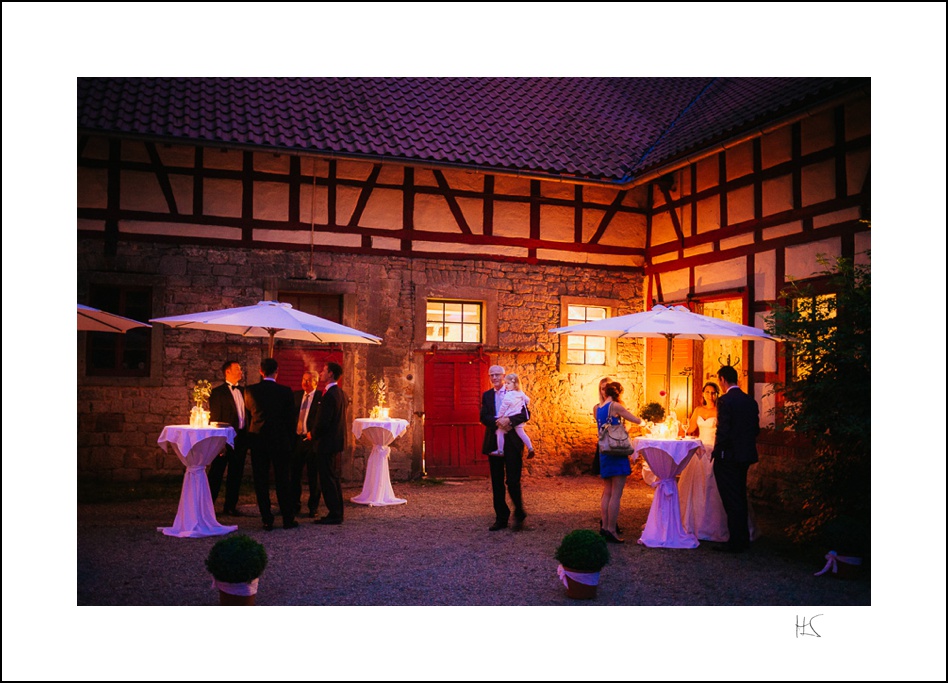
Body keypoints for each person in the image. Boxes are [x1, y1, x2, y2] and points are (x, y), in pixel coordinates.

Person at [244, 357, 298, 531]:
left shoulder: (250, 391)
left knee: (261, 481)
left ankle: (267, 519)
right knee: (283, 480)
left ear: (261, 371)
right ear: (277, 371)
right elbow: (291, 420)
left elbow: (247, 417)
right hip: (280, 441)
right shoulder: (286, 391)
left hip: (258, 440)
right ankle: (288, 518)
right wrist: (291, 441)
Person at [710, 365, 760, 553]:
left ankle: (736, 541)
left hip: (728, 457)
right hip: (745, 456)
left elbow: (723, 430)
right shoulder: (750, 401)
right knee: (740, 495)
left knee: (731, 499)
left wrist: (717, 451)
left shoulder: (725, 400)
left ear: (722, 379)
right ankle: (743, 538)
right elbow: (755, 430)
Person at [480, 364, 529, 531]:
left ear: (504, 376)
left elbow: (525, 414)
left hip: (513, 441)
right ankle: (501, 517)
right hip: (494, 441)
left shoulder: (516, 393)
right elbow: (483, 416)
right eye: (491, 375)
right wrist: (497, 422)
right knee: (497, 481)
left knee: (513, 480)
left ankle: (519, 512)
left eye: (497, 375)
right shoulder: (486, 396)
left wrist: (510, 421)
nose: (494, 378)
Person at [595, 381, 643, 543]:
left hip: (605, 451)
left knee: (607, 491)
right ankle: (611, 529)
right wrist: (645, 422)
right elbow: (635, 420)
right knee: (617, 493)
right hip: (617, 451)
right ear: (619, 392)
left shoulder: (598, 408)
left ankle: (604, 527)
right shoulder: (615, 406)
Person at [207, 360, 250, 516]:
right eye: (238, 369)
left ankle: (230, 505)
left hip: (241, 439)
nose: (241, 372)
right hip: (224, 440)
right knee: (216, 472)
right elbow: (216, 418)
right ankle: (208, 505)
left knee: (236, 473)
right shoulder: (218, 393)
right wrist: (220, 442)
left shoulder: (244, 391)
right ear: (228, 372)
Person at [311, 361, 347, 525]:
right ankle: (337, 511)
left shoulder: (330, 394)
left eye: (324, 370)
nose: (321, 372)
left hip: (326, 443)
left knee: (327, 478)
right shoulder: (339, 393)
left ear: (331, 373)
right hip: (334, 442)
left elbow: (324, 420)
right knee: (333, 477)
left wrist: (313, 433)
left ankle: (334, 513)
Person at [291, 371, 321, 518]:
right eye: (303, 379)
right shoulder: (296, 396)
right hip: (298, 440)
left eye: (309, 381)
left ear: (315, 382)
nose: (305, 383)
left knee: (313, 475)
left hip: (311, 441)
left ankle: (313, 507)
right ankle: (295, 504)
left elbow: (321, 419)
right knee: (295, 473)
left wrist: (314, 433)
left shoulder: (320, 397)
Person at [492, 373, 535, 458]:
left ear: (515, 384)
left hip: (509, 417)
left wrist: (499, 416)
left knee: (499, 431)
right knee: (522, 433)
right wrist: (521, 404)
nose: (506, 385)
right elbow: (528, 400)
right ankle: (530, 448)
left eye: (508, 383)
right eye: (505, 383)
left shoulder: (508, 395)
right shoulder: (520, 393)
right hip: (517, 419)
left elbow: (503, 407)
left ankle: (500, 450)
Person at [591, 376, 612, 476]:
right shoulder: (596, 408)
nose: (605, 391)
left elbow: (627, 423)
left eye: (608, 388)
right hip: (603, 442)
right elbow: (599, 425)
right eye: (603, 388)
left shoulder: (617, 405)